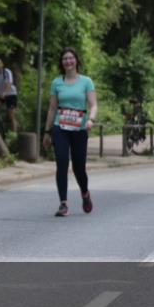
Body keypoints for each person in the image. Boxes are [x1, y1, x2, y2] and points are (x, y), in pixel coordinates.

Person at [41, 47, 98, 217]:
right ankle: (63, 203)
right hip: (60, 127)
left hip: (80, 129)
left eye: (71, 58)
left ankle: (85, 193)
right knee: (62, 162)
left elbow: (93, 105)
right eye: (65, 59)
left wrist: (91, 120)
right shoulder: (57, 83)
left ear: (76, 61)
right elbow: (52, 109)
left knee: (79, 167)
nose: (68, 61)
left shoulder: (86, 81)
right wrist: (47, 131)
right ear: (62, 63)